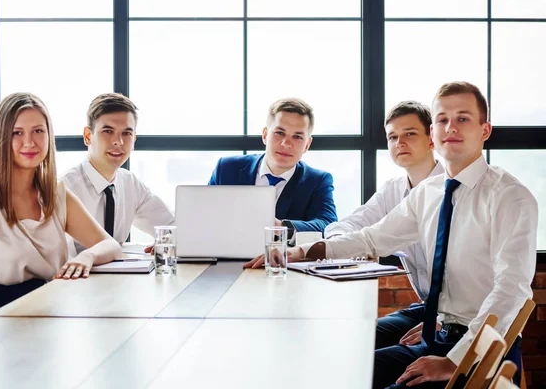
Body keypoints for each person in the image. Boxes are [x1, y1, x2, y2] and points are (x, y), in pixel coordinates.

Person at [257, 82, 536, 388]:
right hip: (439, 335)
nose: (451, 127)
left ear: (485, 130)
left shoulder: (511, 197)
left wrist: (453, 361)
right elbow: (371, 239)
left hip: (478, 352)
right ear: (434, 133)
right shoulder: (429, 193)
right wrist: (303, 252)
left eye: (463, 118)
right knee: (342, 368)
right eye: (442, 119)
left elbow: (511, 290)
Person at [0, 92, 122, 321]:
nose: (29, 142)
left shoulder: (55, 195)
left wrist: (86, 257)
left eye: (38, 131)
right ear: (1, 138)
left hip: (47, 320)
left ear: (49, 135)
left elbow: (110, 245)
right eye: (17, 133)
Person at [324, 100, 443, 350]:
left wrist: (445, 320)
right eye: (392, 137)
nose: (399, 143)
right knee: (355, 339)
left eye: (409, 134)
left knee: (368, 356)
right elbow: (348, 224)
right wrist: (340, 244)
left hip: (455, 316)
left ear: (432, 138)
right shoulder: (393, 189)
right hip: (425, 307)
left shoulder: (450, 189)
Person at [208, 98, 337, 239]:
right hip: (225, 255)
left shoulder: (317, 181)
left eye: (297, 137)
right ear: (265, 135)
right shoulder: (226, 169)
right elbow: (204, 215)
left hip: (282, 259)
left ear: (307, 145)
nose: (286, 143)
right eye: (280, 133)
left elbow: (328, 225)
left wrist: (279, 226)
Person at [61, 93, 174, 255]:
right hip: (80, 278)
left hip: (120, 278)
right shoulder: (66, 188)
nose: (118, 142)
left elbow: (171, 226)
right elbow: (64, 262)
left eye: (126, 133)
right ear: (87, 136)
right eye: (108, 131)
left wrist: (167, 241)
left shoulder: (129, 183)